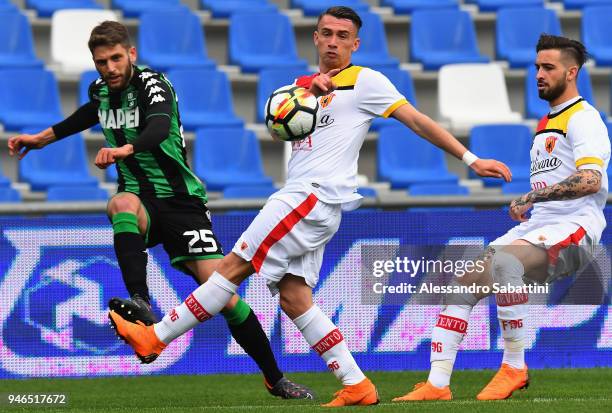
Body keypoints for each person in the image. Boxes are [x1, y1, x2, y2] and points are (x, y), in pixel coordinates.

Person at [107, 7, 511, 407]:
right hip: (307, 198)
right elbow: (275, 124)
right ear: (315, 38)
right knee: (294, 296)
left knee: (233, 266)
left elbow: (417, 120)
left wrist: (471, 160)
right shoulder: (300, 87)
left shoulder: (366, 82)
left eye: (342, 36)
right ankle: (356, 384)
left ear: (356, 43)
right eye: (326, 33)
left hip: (311, 196)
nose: (333, 41)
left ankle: (155, 336)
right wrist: (307, 94)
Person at [7, 20, 314, 400]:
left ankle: (274, 377)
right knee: (121, 202)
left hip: (182, 202)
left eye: (117, 58)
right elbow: (90, 113)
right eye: (102, 62)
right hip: (142, 198)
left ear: (131, 54)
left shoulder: (153, 84)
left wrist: (124, 149)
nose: (111, 68)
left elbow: (157, 126)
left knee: (221, 294)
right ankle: (141, 300)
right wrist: (41, 138)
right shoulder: (101, 90)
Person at [393, 34, 610, 402]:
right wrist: (533, 205)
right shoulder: (546, 123)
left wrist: (532, 195)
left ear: (572, 72)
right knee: (464, 282)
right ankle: (437, 384)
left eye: (548, 67)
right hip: (542, 226)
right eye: (537, 66)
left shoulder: (584, 119)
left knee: (506, 264)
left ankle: (514, 366)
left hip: (576, 230)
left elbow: (591, 180)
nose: (538, 74)